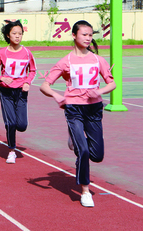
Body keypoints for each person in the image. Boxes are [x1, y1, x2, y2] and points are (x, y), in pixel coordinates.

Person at [40, 20, 116, 207]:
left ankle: (74, 138)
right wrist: (58, 97)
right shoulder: (66, 61)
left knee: (97, 155)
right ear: (74, 35)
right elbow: (44, 85)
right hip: (74, 108)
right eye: (84, 34)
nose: (88, 38)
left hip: (94, 109)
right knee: (82, 151)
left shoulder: (98, 60)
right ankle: (85, 190)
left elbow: (112, 83)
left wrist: (99, 91)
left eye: (90, 35)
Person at [0, 20, 37, 164]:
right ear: (8, 35)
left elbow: (33, 70)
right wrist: (1, 79)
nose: (17, 36)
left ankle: (14, 138)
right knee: (11, 123)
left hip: (21, 92)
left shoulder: (27, 53)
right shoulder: (2, 53)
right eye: (14, 34)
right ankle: (11, 150)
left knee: (21, 125)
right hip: (6, 92)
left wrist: (28, 82)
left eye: (20, 34)